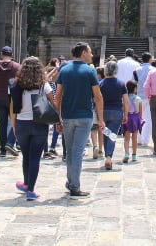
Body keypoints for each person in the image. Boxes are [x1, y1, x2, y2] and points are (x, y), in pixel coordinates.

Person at [55, 42, 105, 198]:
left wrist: (58, 118)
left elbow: (58, 97)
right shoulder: (89, 71)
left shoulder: (64, 70)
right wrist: (101, 119)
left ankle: (71, 181)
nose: (91, 55)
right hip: (84, 116)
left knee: (70, 152)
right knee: (77, 152)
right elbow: (98, 96)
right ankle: (75, 187)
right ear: (83, 53)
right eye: (90, 52)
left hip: (68, 116)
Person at [9, 57, 54, 201]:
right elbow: (53, 103)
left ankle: (26, 183)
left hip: (22, 123)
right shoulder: (43, 85)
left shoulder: (16, 85)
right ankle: (31, 190)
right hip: (40, 124)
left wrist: (14, 125)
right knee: (35, 157)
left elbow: (12, 107)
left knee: (26, 156)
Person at [98, 60, 129, 170]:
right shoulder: (121, 84)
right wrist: (126, 114)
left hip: (103, 112)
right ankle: (109, 156)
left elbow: (96, 99)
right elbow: (126, 101)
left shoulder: (100, 84)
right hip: (116, 112)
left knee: (106, 134)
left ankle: (108, 156)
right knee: (112, 135)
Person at [122, 80, 144, 162]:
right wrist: (140, 119)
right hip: (136, 118)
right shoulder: (138, 99)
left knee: (126, 138)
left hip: (127, 117)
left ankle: (127, 153)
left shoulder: (124, 98)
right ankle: (134, 155)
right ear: (135, 89)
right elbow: (140, 111)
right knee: (134, 137)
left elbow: (123, 109)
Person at [134, 52, 153, 146]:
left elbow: (135, 82)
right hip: (150, 96)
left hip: (139, 96)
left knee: (138, 117)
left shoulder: (136, 70)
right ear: (150, 59)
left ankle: (139, 139)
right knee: (148, 118)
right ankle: (145, 140)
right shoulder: (153, 70)